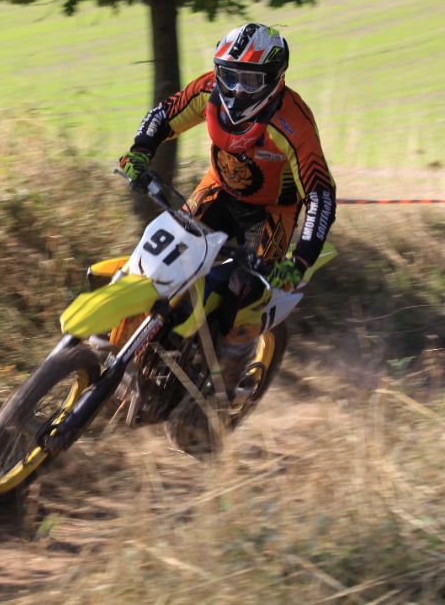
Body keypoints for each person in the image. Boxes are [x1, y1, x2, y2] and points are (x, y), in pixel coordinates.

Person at [118, 22, 336, 390]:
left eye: (249, 81)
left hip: (272, 211)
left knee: (244, 290)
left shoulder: (294, 123)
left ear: (274, 79)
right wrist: (140, 152)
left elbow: (321, 195)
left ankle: (223, 387)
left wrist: (300, 261)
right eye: (229, 75)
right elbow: (164, 113)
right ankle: (143, 342)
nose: (236, 89)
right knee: (168, 257)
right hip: (218, 189)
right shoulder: (209, 89)